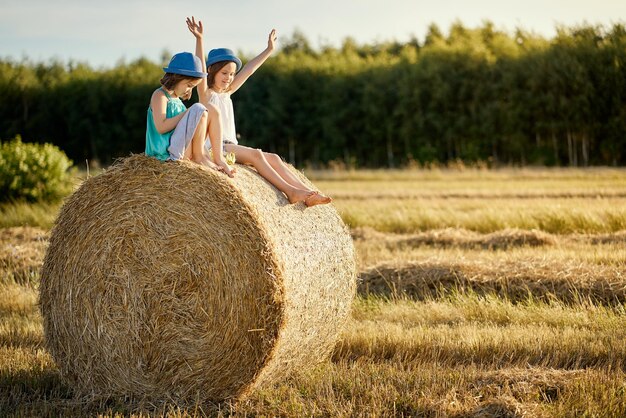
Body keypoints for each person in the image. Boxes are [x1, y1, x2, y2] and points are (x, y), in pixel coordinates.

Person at [186, 17, 331, 206]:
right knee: (257, 154)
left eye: (231, 74)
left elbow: (249, 69)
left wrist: (269, 50)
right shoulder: (206, 94)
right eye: (224, 73)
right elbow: (201, 67)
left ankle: (307, 192)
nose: (229, 78)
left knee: (275, 158)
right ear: (212, 71)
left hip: (231, 146)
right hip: (216, 148)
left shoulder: (227, 93)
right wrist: (199, 39)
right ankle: (291, 191)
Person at [146, 50, 234, 176]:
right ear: (177, 78)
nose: (189, 90)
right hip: (165, 153)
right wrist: (188, 112)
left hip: (182, 149)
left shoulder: (178, 102)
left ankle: (218, 158)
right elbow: (161, 127)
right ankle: (199, 158)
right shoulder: (160, 96)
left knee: (212, 109)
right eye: (189, 85)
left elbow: (192, 131)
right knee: (199, 108)